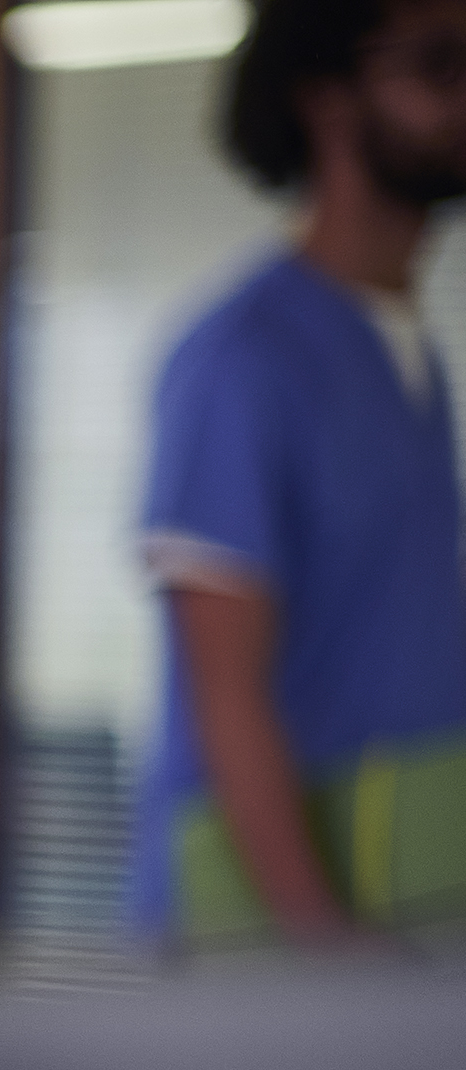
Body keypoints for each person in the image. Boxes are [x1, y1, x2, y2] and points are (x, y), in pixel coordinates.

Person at [136, 0, 466, 944]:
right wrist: (325, 960)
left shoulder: (415, 360)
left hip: (405, 912)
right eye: (439, 64)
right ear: (327, 100)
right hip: (270, 941)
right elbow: (225, 693)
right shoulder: (240, 361)